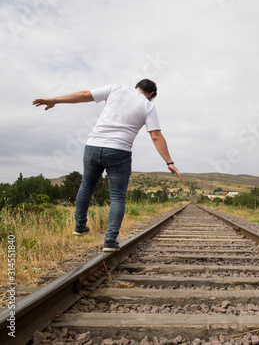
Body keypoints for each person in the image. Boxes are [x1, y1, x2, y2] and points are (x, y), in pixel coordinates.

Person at [33, 79, 182, 252]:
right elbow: (155, 135)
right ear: (151, 94)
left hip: (93, 146)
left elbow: (84, 95)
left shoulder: (115, 89)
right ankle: (110, 241)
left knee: (86, 186)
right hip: (119, 151)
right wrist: (169, 162)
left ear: (137, 87)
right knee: (117, 196)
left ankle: (79, 226)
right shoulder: (148, 106)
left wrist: (54, 100)